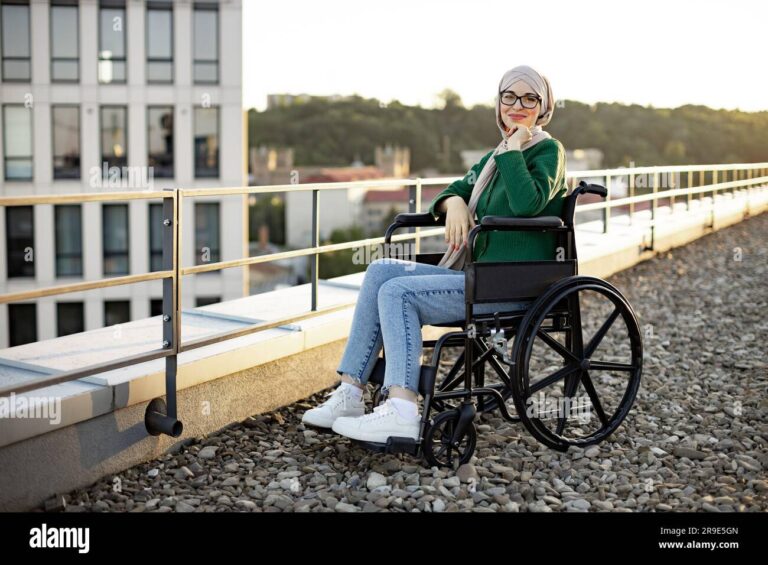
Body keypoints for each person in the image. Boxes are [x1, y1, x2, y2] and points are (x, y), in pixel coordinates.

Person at [301, 64, 567, 444]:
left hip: (512, 285)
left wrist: (513, 149)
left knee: (398, 293)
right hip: (478, 277)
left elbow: (527, 203)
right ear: (499, 103)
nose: (517, 105)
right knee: (380, 271)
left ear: (543, 107)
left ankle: (402, 410)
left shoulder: (548, 152)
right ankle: (350, 393)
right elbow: (452, 190)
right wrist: (455, 202)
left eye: (529, 98)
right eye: (509, 96)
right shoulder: (493, 159)